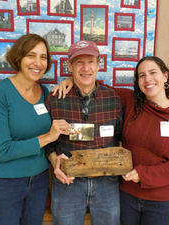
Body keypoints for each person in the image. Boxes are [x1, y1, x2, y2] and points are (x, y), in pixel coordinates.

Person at [53, 56, 169, 225]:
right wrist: (72, 78)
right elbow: (91, 85)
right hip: (126, 194)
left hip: (160, 199)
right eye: (142, 75)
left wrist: (144, 174)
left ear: (165, 76)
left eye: (153, 73)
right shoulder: (130, 100)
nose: (148, 79)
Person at [0, 34, 70, 225]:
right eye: (31, 55)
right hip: (5, 183)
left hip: (39, 181)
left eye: (43, 57)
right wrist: (48, 137)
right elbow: (4, 151)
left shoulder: (45, 93)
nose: (38, 63)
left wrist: (69, 81)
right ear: (18, 58)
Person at [45, 40, 123, 225]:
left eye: (90, 61)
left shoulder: (113, 98)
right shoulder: (55, 99)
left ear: (98, 65)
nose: (86, 68)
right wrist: (55, 160)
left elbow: (121, 137)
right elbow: (47, 142)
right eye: (79, 62)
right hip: (68, 182)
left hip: (107, 184)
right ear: (70, 66)